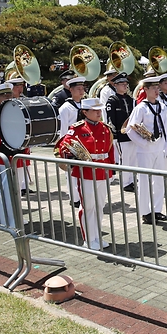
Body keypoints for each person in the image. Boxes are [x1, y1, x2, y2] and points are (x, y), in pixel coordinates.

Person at [55, 97, 114, 250]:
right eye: (94, 110)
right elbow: (64, 146)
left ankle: (97, 236)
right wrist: (72, 155)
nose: (98, 113)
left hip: (102, 170)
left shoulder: (105, 128)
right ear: (85, 112)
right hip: (86, 172)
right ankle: (88, 239)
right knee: (88, 206)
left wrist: (112, 169)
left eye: (99, 110)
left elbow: (110, 150)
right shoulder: (77, 128)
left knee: (100, 205)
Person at [125, 75, 167, 223]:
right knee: (144, 181)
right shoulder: (141, 108)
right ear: (145, 89)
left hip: (159, 148)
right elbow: (130, 130)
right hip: (145, 150)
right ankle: (145, 212)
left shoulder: (162, 106)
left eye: (158, 88)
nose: (157, 91)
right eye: (153, 88)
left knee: (159, 181)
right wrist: (144, 143)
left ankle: (157, 209)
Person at [104, 72, 135, 192]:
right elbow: (110, 119)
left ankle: (131, 180)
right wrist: (114, 134)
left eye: (126, 83)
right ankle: (125, 182)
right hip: (120, 135)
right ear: (115, 85)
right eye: (122, 84)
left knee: (133, 158)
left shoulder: (130, 99)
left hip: (131, 134)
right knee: (125, 158)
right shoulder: (112, 100)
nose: (125, 86)